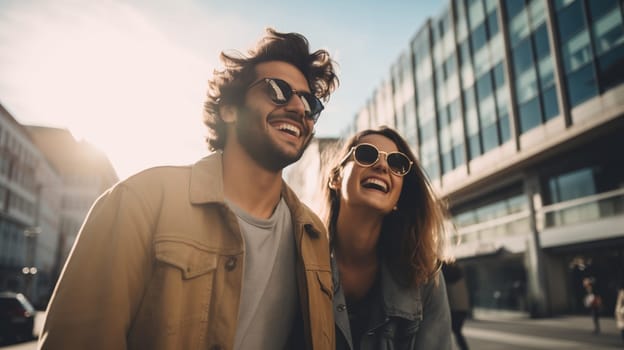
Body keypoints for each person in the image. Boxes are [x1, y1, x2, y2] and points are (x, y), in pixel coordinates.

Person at [39, 28, 339, 350]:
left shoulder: (312, 234)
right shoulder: (140, 200)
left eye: (309, 101)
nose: (299, 108)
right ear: (229, 110)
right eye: (277, 90)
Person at [321, 126, 452, 349]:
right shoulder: (299, 260)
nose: (382, 166)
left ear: (400, 194)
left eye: (396, 163)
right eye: (366, 154)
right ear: (336, 178)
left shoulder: (425, 280)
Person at [443, 261, 471, 350]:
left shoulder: (446, 277)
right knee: (457, 332)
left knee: (445, 333)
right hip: (462, 309)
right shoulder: (460, 276)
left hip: (453, 309)